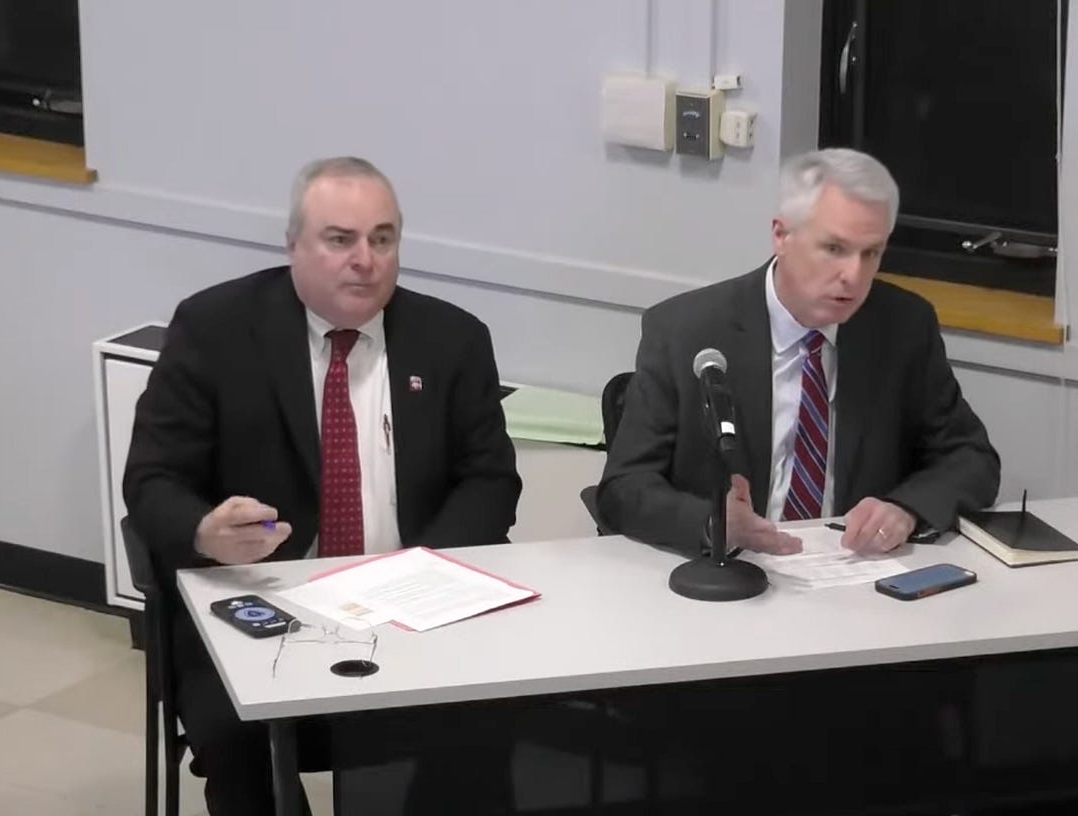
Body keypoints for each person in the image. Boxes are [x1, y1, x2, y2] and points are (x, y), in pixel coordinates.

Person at [123, 156, 522, 816]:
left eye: (382, 239)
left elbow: (490, 481)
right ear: (293, 246)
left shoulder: (452, 339)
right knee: (238, 738)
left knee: (491, 715)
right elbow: (151, 479)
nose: (365, 260)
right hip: (260, 606)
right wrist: (203, 531)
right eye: (340, 240)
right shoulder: (215, 330)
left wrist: (422, 573)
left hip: (411, 607)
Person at [597, 147, 1000, 557]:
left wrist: (906, 509)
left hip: (852, 569)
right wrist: (713, 523)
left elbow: (972, 458)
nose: (854, 275)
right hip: (726, 569)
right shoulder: (685, 331)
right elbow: (623, 488)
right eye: (835, 249)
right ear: (782, 236)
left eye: (871, 253)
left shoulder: (903, 327)